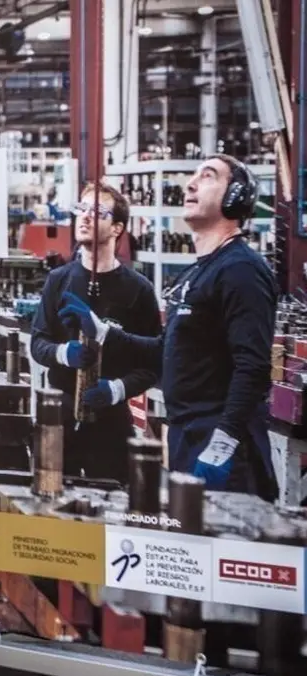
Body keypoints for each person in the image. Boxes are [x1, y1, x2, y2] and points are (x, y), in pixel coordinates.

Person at [59, 154, 278, 500]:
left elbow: (253, 367)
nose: (190, 183)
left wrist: (224, 442)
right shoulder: (196, 273)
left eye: (207, 176)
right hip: (185, 436)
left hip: (222, 444)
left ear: (235, 197)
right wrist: (105, 333)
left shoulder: (241, 269)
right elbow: (167, 351)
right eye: (192, 176)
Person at [29, 183, 160, 482]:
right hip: (59, 420)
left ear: (116, 228)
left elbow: (152, 363)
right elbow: (38, 343)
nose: (85, 217)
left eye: (97, 212)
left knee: (114, 507)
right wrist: (63, 353)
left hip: (111, 423)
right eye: (82, 209)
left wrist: (117, 389)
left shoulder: (138, 290)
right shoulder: (58, 280)